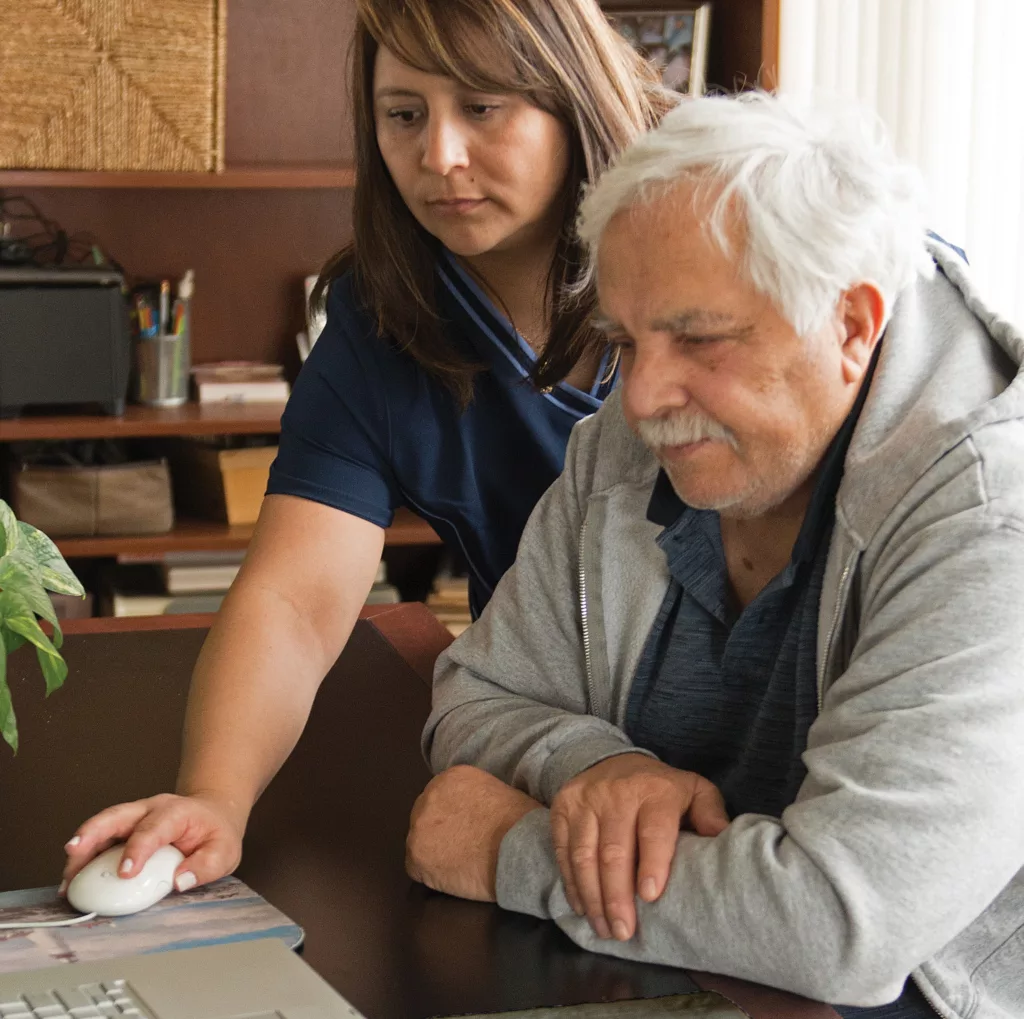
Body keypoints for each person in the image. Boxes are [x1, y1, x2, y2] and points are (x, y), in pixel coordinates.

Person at [406, 93, 1024, 1019]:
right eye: (624, 339)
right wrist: (597, 770)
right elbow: (479, 692)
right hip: (685, 976)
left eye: (700, 338)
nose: (643, 397)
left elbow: (842, 925)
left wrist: (512, 851)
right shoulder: (638, 432)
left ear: (851, 326)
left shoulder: (991, 506)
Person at [60, 0, 674, 894]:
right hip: (555, 744)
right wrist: (215, 798)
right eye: (404, 114)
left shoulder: (701, 233)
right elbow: (295, 599)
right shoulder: (382, 321)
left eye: (484, 106)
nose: (440, 157)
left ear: (570, 94)